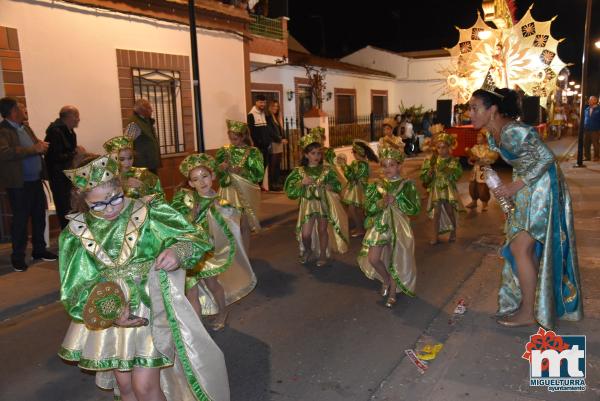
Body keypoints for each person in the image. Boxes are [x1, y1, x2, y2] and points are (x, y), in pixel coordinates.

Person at [57, 155, 230, 401]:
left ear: (121, 187)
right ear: (84, 201)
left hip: (151, 307)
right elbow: (74, 286)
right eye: (98, 205)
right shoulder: (76, 232)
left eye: (115, 198)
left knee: (144, 386)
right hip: (112, 313)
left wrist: (177, 252)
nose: (110, 209)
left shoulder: (148, 211)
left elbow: (197, 238)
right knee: (125, 386)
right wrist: (110, 312)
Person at [469, 88, 583, 329]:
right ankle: (531, 307)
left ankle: (529, 311)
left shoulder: (513, 131)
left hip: (543, 186)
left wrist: (515, 187)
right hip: (529, 186)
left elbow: (546, 158)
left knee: (521, 248)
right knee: (522, 249)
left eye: (474, 108)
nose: (469, 113)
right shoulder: (493, 134)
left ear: (492, 110)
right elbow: (524, 160)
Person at [172, 153, 256, 330]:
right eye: (195, 179)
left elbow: (230, 226)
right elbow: (176, 220)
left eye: (205, 176)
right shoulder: (185, 199)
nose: (201, 182)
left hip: (209, 252)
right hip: (190, 250)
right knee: (191, 289)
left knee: (211, 284)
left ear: (213, 177)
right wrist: (191, 214)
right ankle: (198, 328)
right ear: (190, 183)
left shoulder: (221, 203)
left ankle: (222, 311)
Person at [357, 146, 420, 308]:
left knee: (394, 260)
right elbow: (368, 208)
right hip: (380, 225)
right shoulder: (376, 185)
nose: (387, 169)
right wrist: (381, 202)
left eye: (391, 165)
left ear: (399, 166)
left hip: (398, 226)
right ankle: (386, 279)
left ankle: (393, 292)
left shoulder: (407, 185)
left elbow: (415, 208)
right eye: (384, 165)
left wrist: (397, 201)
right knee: (373, 258)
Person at [0, 97, 57, 271]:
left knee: (39, 217)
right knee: (21, 221)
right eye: (22, 108)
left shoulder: (26, 127)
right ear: (13, 112)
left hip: (35, 180)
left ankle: (39, 250)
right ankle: (17, 256)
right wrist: (34, 149)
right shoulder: (3, 131)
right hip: (19, 184)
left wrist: (40, 144)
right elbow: (5, 153)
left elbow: (34, 146)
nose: (25, 110)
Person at [284, 131, 348, 267]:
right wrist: (302, 183)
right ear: (306, 155)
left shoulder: (327, 169)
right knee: (305, 234)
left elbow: (337, 184)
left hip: (323, 203)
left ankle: (323, 254)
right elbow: (290, 191)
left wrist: (332, 186)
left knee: (322, 230)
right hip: (307, 205)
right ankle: (307, 250)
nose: (316, 156)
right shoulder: (299, 171)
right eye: (313, 153)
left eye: (318, 153)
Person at [216, 119, 264, 251]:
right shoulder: (224, 151)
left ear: (243, 137)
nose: (233, 142)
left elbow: (258, 175)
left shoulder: (252, 152)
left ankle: (245, 254)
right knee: (229, 225)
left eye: (235, 138)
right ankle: (232, 255)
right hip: (228, 191)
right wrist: (221, 167)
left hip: (244, 192)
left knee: (244, 225)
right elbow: (216, 173)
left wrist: (243, 171)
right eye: (230, 138)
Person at [44, 105, 85, 228]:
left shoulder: (70, 131)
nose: (78, 119)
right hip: (58, 177)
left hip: (67, 175)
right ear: (69, 117)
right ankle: (66, 234)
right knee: (63, 207)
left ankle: (73, 232)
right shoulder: (55, 131)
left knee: (71, 205)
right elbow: (54, 157)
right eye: (76, 116)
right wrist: (75, 153)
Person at [420, 132, 463, 245]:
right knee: (436, 213)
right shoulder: (433, 160)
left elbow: (457, 173)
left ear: (449, 147)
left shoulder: (453, 161)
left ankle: (453, 231)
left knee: (450, 211)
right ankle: (435, 235)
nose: (440, 150)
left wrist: (448, 172)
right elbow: (425, 177)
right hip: (436, 189)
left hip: (447, 189)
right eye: (438, 147)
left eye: (443, 147)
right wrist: (429, 173)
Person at [338, 139, 378, 237]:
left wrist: (344, 166)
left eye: (353, 151)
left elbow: (352, 176)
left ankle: (361, 229)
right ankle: (360, 228)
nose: (353, 153)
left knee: (356, 210)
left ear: (359, 152)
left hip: (359, 189)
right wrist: (345, 165)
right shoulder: (356, 163)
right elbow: (351, 173)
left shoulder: (363, 165)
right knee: (354, 210)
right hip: (355, 188)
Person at [103, 136, 164, 200]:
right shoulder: (107, 177)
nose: (127, 162)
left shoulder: (144, 175)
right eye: (122, 159)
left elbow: (158, 196)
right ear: (113, 159)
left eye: (130, 158)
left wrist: (141, 188)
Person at [124, 99, 161, 174]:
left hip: (151, 163)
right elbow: (127, 143)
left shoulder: (146, 121)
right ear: (142, 110)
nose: (152, 110)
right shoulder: (134, 123)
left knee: (153, 184)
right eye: (149, 108)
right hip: (141, 165)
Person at [465, 132, 498, 211]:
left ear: (485, 138)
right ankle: (474, 201)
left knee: (483, 189)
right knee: (472, 187)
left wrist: (479, 159)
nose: (477, 138)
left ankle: (484, 203)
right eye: (477, 136)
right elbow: (471, 158)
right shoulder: (475, 147)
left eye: (479, 136)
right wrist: (471, 159)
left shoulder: (490, 149)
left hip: (484, 171)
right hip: (475, 171)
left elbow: (492, 160)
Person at [266, 100, 287, 191]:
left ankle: (277, 182)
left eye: (277, 106)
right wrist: (280, 139)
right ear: (270, 107)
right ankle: (271, 184)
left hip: (279, 143)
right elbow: (269, 132)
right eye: (274, 106)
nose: (275, 108)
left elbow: (280, 130)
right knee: (273, 165)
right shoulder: (268, 118)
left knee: (278, 164)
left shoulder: (276, 117)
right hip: (273, 143)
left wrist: (284, 138)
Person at [247, 95, 271, 176]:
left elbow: (267, 130)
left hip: (266, 147)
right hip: (258, 148)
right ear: (256, 102)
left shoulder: (264, 113)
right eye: (261, 102)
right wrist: (254, 144)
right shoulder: (251, 115)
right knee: (258, 168)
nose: (263, 104)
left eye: (264, 102)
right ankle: (257, 187)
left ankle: (261, 187)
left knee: (264, 166)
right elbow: (250, 132)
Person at [583, 95, 600, 161]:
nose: (589, 101)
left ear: (595, 101)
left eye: (591, 100)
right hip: (587, 129)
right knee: (586, 144)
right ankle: (587, 157)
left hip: (595, 130)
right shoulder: (587, 109)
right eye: (589, 100)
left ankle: (596, 157)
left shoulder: (599, 109)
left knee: (595, 144)